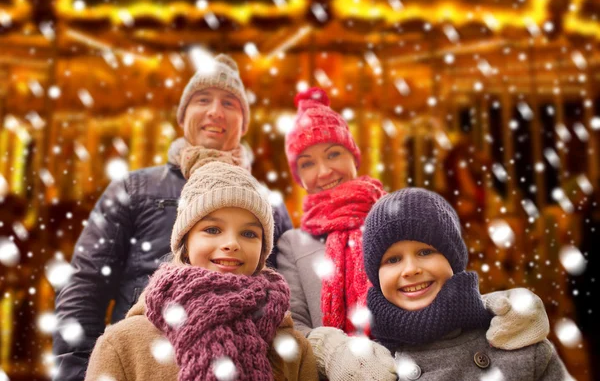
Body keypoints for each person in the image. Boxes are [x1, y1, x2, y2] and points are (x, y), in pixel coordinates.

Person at [276, 86, 551, 380]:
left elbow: (445, 286)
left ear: (353, 156)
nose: (324, 171)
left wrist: (502, 309)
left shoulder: (396, 215)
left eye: (333, 154)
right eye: (308, 163)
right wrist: (334, 352)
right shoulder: (293, 244)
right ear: (298, 175)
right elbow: (297, 327)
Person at [53, 54, 293, 380]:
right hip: (147, 362)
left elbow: (285, 293)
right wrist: (79, 372)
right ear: (182, 117)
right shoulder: (135, 188)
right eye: (202, 99)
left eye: (229, 103)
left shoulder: (269, 204)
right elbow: (86, 283)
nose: (214, 111)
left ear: (244, 123)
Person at [84, 159, 318, 381]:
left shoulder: (293, 348)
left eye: (249, 233)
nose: (232, 243)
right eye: (213, 230)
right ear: (186, 242)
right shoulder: (123, 344)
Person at [361, 188, 572, 380]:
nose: (410, 269)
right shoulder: (368, 367)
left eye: (425, 252)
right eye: (393, 260)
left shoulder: (516, 343)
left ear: (453, 260)